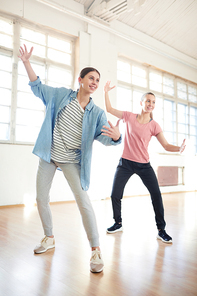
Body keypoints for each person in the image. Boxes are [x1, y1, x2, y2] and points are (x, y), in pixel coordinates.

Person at [18, 45, 121, 273]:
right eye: (91, 78)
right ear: (81, 79)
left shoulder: (96, 113)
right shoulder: (61, 95)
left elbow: (105, 137)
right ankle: (49, 237)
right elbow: (38, 87)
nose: (94, 82)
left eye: (97, 79)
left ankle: (95, 250)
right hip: (49, 154)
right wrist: (26, 62)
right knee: (41, 197)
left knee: (83, 202)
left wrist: (116, 137)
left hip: (72, 161)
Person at [102, 81, 186, 244]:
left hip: (144, 165)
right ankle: (117, 223)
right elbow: (110, 109)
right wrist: (106, 92)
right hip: (125, 163)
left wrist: (179, 149)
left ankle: (161, 230)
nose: (150, 104)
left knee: (156, 196)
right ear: (141, 102)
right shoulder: (128, 116)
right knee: (115, 194)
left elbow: (166, 145)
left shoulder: (154, 125)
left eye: (153, 102)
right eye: (148, 101)